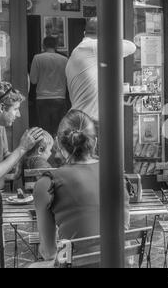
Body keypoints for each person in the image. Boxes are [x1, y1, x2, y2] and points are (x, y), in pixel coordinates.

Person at [33, 110, 130, 262]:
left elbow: (49, 252)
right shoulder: (117, 175)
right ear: (95, 142)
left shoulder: (46, 184)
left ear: (58, 142)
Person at [0, 81, 44, 268]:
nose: (19, 114)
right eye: (15, 109)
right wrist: (21, 149)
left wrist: (24, 158)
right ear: (2, 107)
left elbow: (5, 158)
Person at [66, 17, 136, 121]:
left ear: (85, 33)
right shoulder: (93, 47)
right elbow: (131, 47)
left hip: (80, 118)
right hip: (88, 121)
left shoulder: (79, 51)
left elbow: (93, 86)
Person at [30, 36, 68, 135]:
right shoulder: (64, 60)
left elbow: (33, 80)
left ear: (43, 45)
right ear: (56, 46)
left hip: (42, 98)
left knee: (45, 131)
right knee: (59, 130)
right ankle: (58, 149)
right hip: (60, 97)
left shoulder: (37, 58)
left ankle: (47, 149)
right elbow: (68, 80)